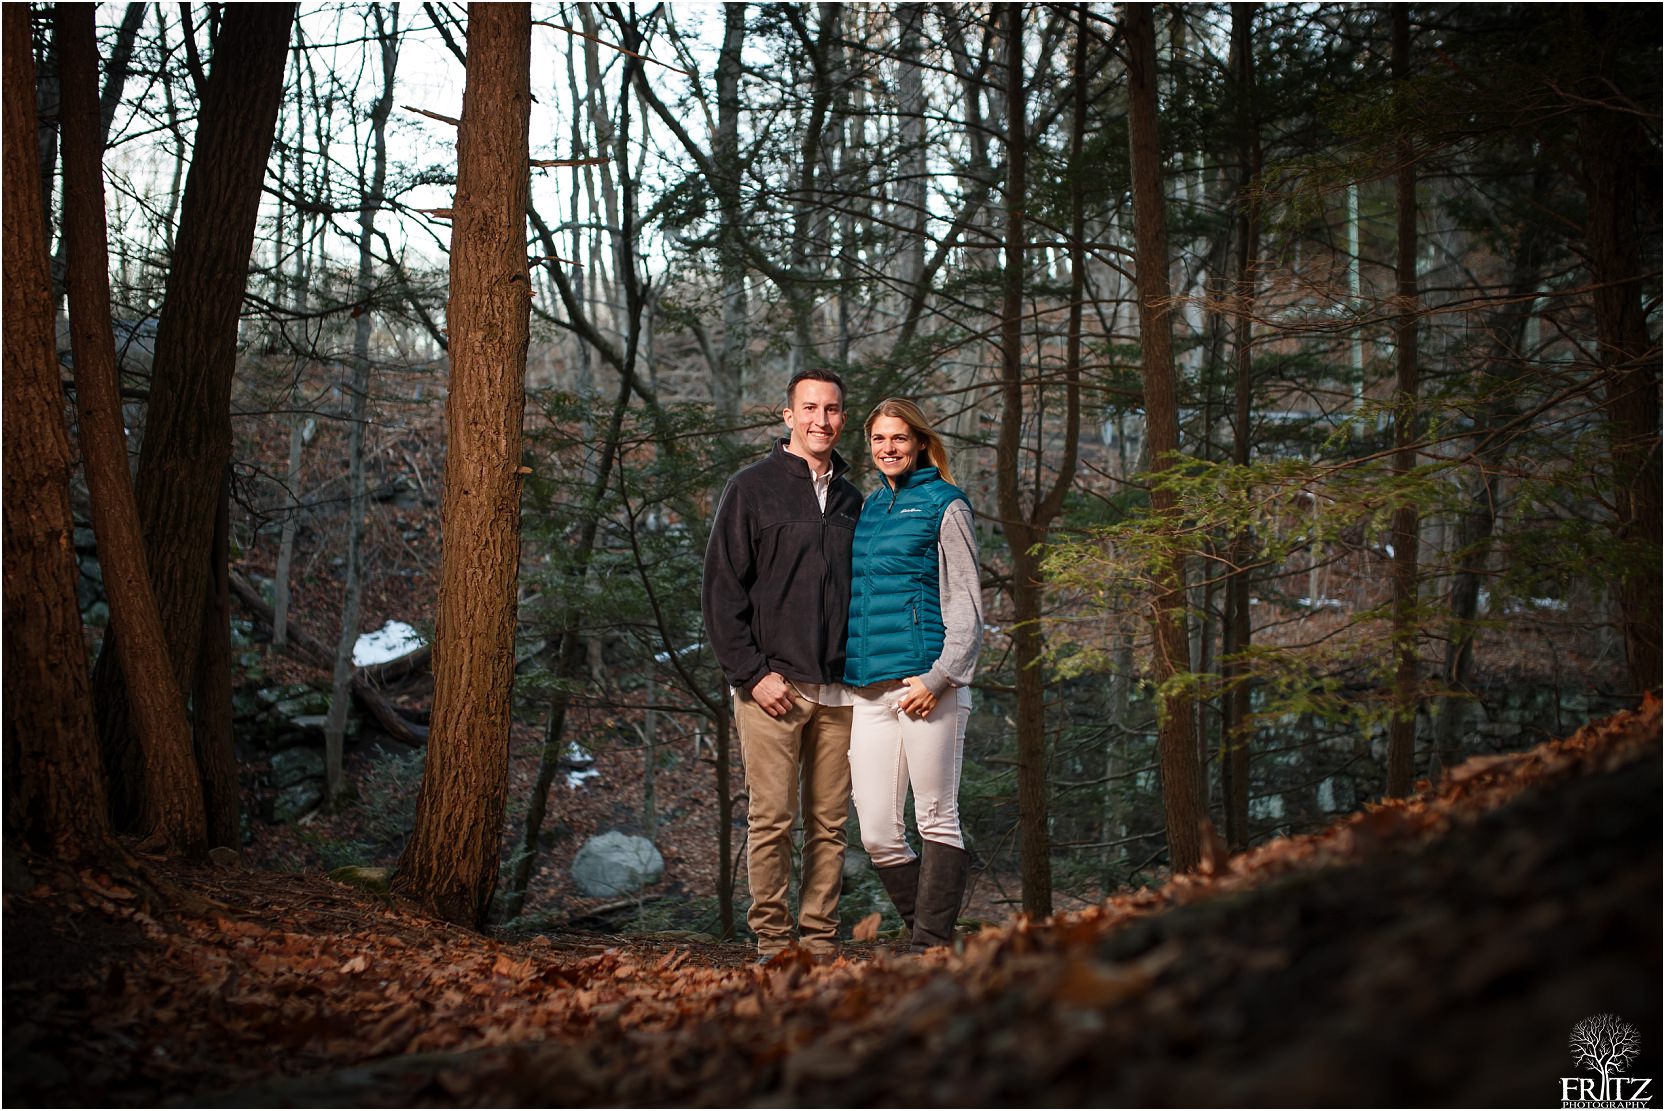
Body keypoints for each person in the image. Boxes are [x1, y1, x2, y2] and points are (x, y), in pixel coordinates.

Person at [701, 369, 863, 959]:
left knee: (829, 824)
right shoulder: (752, 489)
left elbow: (865, 593)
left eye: (834, 409)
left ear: (843, 418)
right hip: (774, 687)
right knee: (771, 820)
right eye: (811, 408)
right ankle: (773, 940)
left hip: (841, 691)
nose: (823, 420)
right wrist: (752, 674)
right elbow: (722, 592)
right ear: (787, 415)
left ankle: (819, 941)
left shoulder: (853, 500)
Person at [844, 398, 983, 950]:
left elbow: (968, 605)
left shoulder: (947, 505)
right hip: (871, 688)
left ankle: (928, 948)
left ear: (920, 442)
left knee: (936, 817)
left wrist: (941, 677)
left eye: (899, 438)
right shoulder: (871, 508)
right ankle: (931, 937)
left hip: (928, 685)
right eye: (879, 440)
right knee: (878, 832)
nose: (888, 448)